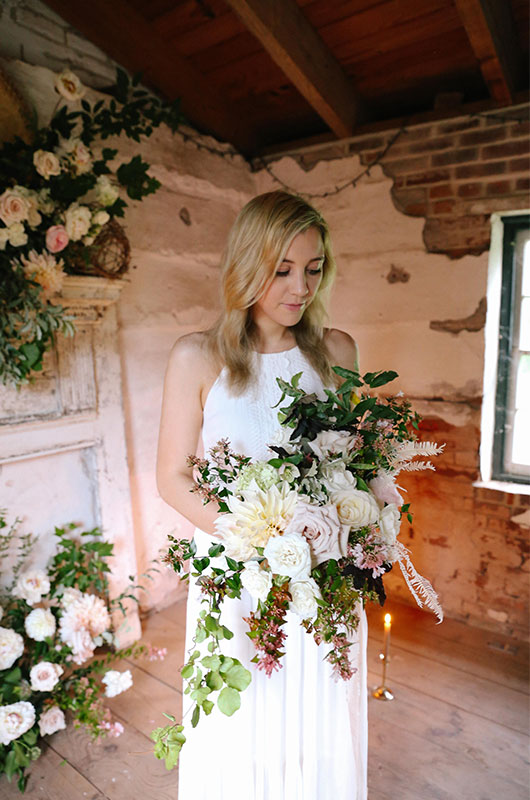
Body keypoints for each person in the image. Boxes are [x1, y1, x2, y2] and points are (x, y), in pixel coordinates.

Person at [157, 191, 368, 800]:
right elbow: (171, 477)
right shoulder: (198, 356)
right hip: (238, 576)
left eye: (313, 267)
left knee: (317, 712)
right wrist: (255, 538)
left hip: (324, 574)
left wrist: (356, 524)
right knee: (245, 713)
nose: (300, 287)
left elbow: (354, 462)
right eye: (282, 270)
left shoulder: (337, 352)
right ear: (247, 265)